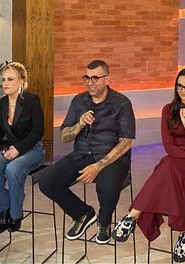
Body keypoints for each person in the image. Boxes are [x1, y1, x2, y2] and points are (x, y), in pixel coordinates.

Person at [111, 68, 185, 263]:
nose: (183, 90)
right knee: (171, 168)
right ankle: (184, 235)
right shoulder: (168, 110)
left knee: (168, 166)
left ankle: (133, 215)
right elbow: (168, 146)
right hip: (182, 162)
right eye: (179, 86)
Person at [39, 59, 135, 244]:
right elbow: (64, 137)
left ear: (107, 79)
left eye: (95, 78)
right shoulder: (79, 101)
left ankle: (104, 222)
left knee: (106, 186)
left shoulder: (122, 103)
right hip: (81, 154)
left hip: (112, 158)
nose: (90, 83)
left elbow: (126, 143)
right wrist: (79, 125)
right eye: (87, 78)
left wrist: (98, 166)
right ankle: (82, 213)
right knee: (47, 181)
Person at [0, 62, 45, 233]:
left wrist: (18, 149)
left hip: (33, 150)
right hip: (11, 149)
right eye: (3, 79)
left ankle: (15, 215)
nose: (5, 83)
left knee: (13, 169)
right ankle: (3, 210)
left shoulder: (31, 100)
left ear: (22, 81)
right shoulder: (0, 103)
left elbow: (38, 131)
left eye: (10, 79)